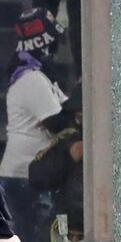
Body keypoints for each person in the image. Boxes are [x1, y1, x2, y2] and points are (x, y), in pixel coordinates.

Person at [0, 8, 68, 242]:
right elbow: (57, 123)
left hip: (32, 174)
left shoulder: (40, 77)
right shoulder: (32, 79)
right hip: (25, 177)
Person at [28, 86, 83, 217]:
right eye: (78, 117)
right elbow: (37, 176)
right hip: (70, 220)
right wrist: (69, 155)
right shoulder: (70, 139)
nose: (80, 121)